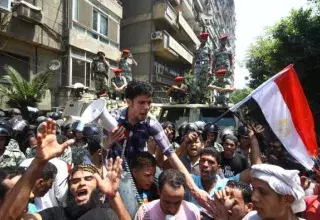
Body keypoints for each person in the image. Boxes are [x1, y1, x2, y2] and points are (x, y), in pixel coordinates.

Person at [105, 80, 213, 210]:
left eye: (149, 102)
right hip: (118, 172)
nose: (146, 107)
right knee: (131, 209)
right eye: (141, 102)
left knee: (172, 185)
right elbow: (97, 151)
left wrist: (194, 190)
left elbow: (172, 156)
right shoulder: (113, 118)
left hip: (143, 169)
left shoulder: (151, 123)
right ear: (128, 102)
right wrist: (110, 141)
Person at [134, 169, 201, 220]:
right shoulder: (144, 212)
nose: (172, 209)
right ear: (159, 191)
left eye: (177, 202)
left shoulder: (192, 212)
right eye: (167, 202)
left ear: (184, 194)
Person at [192, 32, 213, 104]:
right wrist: (192, 68)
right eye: (202, 38)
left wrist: (210, 69)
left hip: (205, 66)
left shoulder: (209, 48)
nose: (204, 40)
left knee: (203, 83)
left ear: (206, 40)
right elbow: (194, 58)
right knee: (194, 81)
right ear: (200, 39)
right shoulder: (197, 47)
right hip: (197, 66)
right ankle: (193, 97)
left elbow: (211, 59)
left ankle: (202, 98)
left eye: (205, 39)